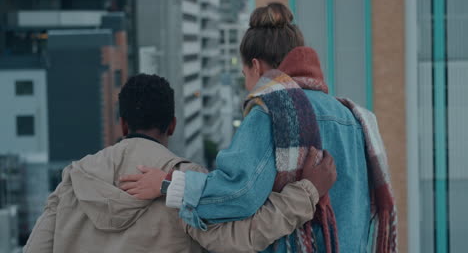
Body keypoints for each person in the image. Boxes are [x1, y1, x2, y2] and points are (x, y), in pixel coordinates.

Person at [120, 3, 397, 253]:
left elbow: (239, 193)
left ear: (255, 66)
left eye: (244, 76)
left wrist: (168, 185)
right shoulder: (354, 118)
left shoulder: (272, 111)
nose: (247, 85)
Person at [23, 74, 337, 253]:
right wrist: (307, 192)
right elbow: (240, 239)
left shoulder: (73, 182)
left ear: (122, 124)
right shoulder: (185, 183)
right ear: (172, 125)